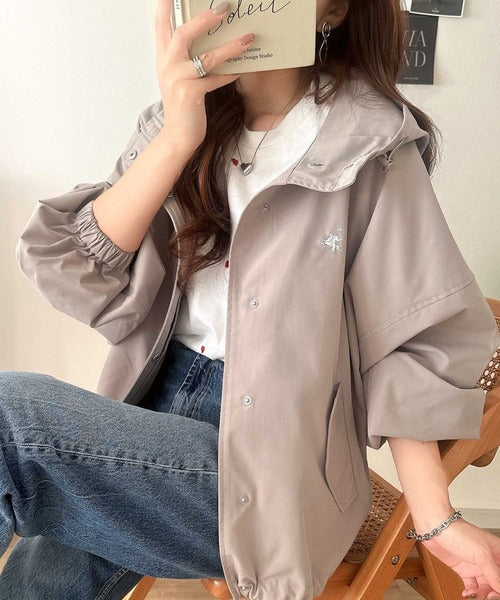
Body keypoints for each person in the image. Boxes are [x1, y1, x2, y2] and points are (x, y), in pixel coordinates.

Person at [2, 0, 500, 599]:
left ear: (334, 11)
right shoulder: (178, 121)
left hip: (272, 459)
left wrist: (437, 517)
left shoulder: (370, 145)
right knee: (39, 578)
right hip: (149, 407)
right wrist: (177, 137)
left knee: (9, 420)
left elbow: (406, 338)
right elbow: (77, 270)